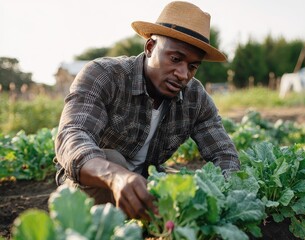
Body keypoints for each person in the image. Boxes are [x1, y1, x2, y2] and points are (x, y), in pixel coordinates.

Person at [54, 1, 240, 221]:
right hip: (95, 181)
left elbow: (224, 155)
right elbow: (72, 134)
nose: (183, 74)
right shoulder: (104, 75)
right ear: (150, 47)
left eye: (192, 66)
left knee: (189, 182)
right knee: (113, 158)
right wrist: (116, 176)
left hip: (146, 182)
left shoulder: (195, 98)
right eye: (175, 59)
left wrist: (223, 194)